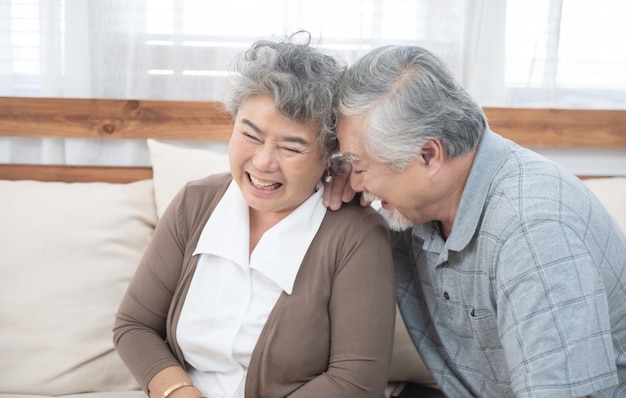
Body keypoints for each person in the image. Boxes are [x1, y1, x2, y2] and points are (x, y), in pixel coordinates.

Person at [323, 44, 626, 397]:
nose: (357, 183)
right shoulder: (420, 205)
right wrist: (330, 176)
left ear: (428, 155)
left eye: (360, 167)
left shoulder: (533, 233)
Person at [113, 32, 396, 398]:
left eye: (291, 147)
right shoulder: (194, 203)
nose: (263, 163)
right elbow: (134, 325)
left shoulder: (356, 234)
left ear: (330, 153)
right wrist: (180, 391)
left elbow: (356, 382)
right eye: (250, 135)